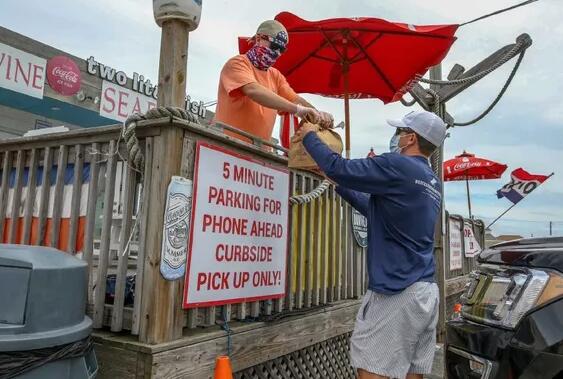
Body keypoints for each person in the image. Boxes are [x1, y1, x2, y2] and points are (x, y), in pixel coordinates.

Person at [297, 110, 446, 379]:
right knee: (413, 371)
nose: (396, 137)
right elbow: (377, 210)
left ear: (410, 138)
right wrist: (339, 185)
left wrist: (309, 137)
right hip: (425, 291)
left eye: (400, 132)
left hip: (397, 290)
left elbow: (338, 166)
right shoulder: (432, 182)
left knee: (372, 370)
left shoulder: (398, 166)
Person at [214, 20, 333, 143]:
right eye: (275, 46)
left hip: (259, 152)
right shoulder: (237, 63)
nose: (277, 53)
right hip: (226, 145)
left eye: (282, 50)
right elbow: (253, 90)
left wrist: (318, 114)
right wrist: (297, 110)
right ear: (259, 39)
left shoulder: (275, 75)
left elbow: (295, 99)